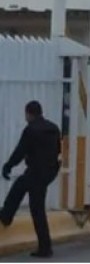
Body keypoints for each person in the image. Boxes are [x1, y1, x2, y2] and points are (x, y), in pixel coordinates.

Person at [0, 101, 62, 258]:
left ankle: (7, 217)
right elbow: (58, 150)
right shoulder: (54, 128)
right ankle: (7, 215)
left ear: (29, 113)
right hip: (49, 171)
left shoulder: (31, 130)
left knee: (34, 206)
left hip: (36, 172)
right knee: (22, 187)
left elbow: (20, 151)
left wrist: (7, 166)